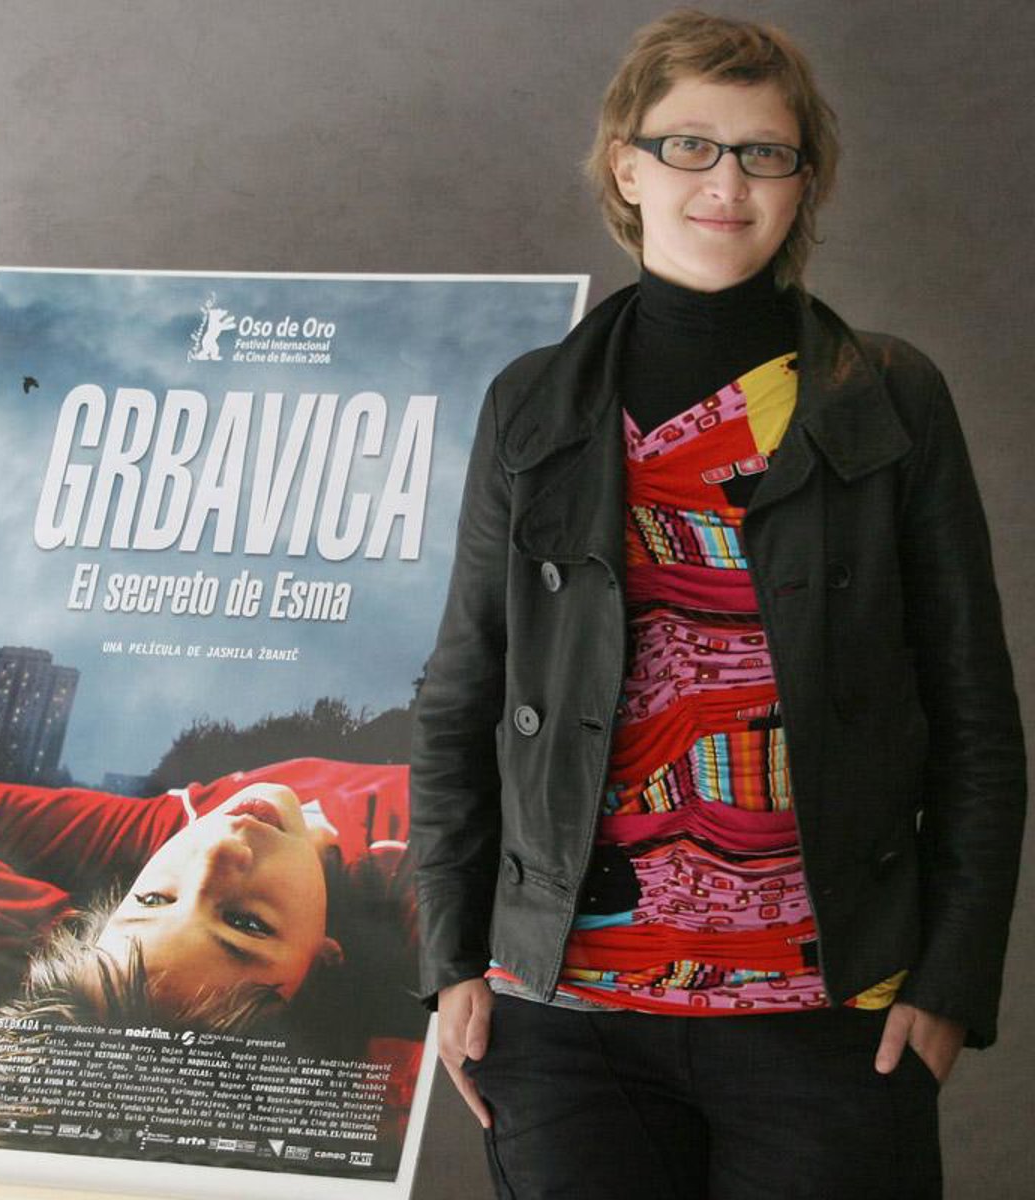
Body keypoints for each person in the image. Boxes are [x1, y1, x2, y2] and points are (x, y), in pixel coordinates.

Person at [410, 10, 1026, 1198]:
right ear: (626, 167)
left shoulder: (887, 397)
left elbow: (975, 719)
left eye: (764, 153)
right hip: (566, 1018)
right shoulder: (532, 404)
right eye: (689, 145)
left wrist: (952, 980)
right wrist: (451, 960)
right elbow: (459, 699)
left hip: (831, 1014)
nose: (726, 183)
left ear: (805, 183)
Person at [0, 756, 417, 1051]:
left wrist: (75, 951)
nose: (216, 853)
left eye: (155, 899)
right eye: (246, 923)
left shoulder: (184, 828)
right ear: (324, 956)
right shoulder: (417, 871)